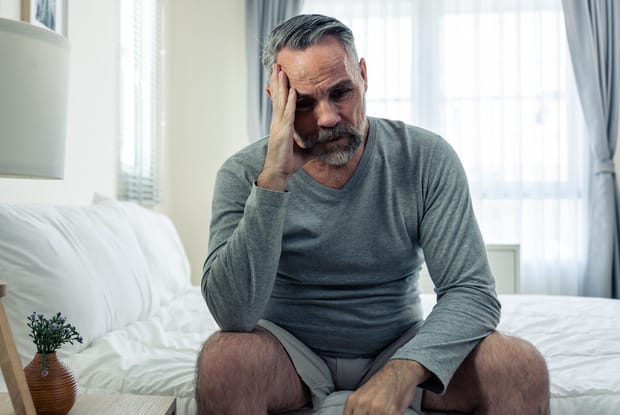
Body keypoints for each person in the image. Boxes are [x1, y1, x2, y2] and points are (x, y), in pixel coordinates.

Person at [196, 14, 550, 415]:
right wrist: (273, 178)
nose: (328, 118)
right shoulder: (244, 173)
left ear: (363, 75)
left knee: (519, 366)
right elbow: (233, 314)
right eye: (305, 103)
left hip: (398, 345)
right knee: (224, 360)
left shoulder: (425, 158)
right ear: (277, 100)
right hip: (289, 357)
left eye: (341, 92)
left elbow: (473, 293)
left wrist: (402, 372)